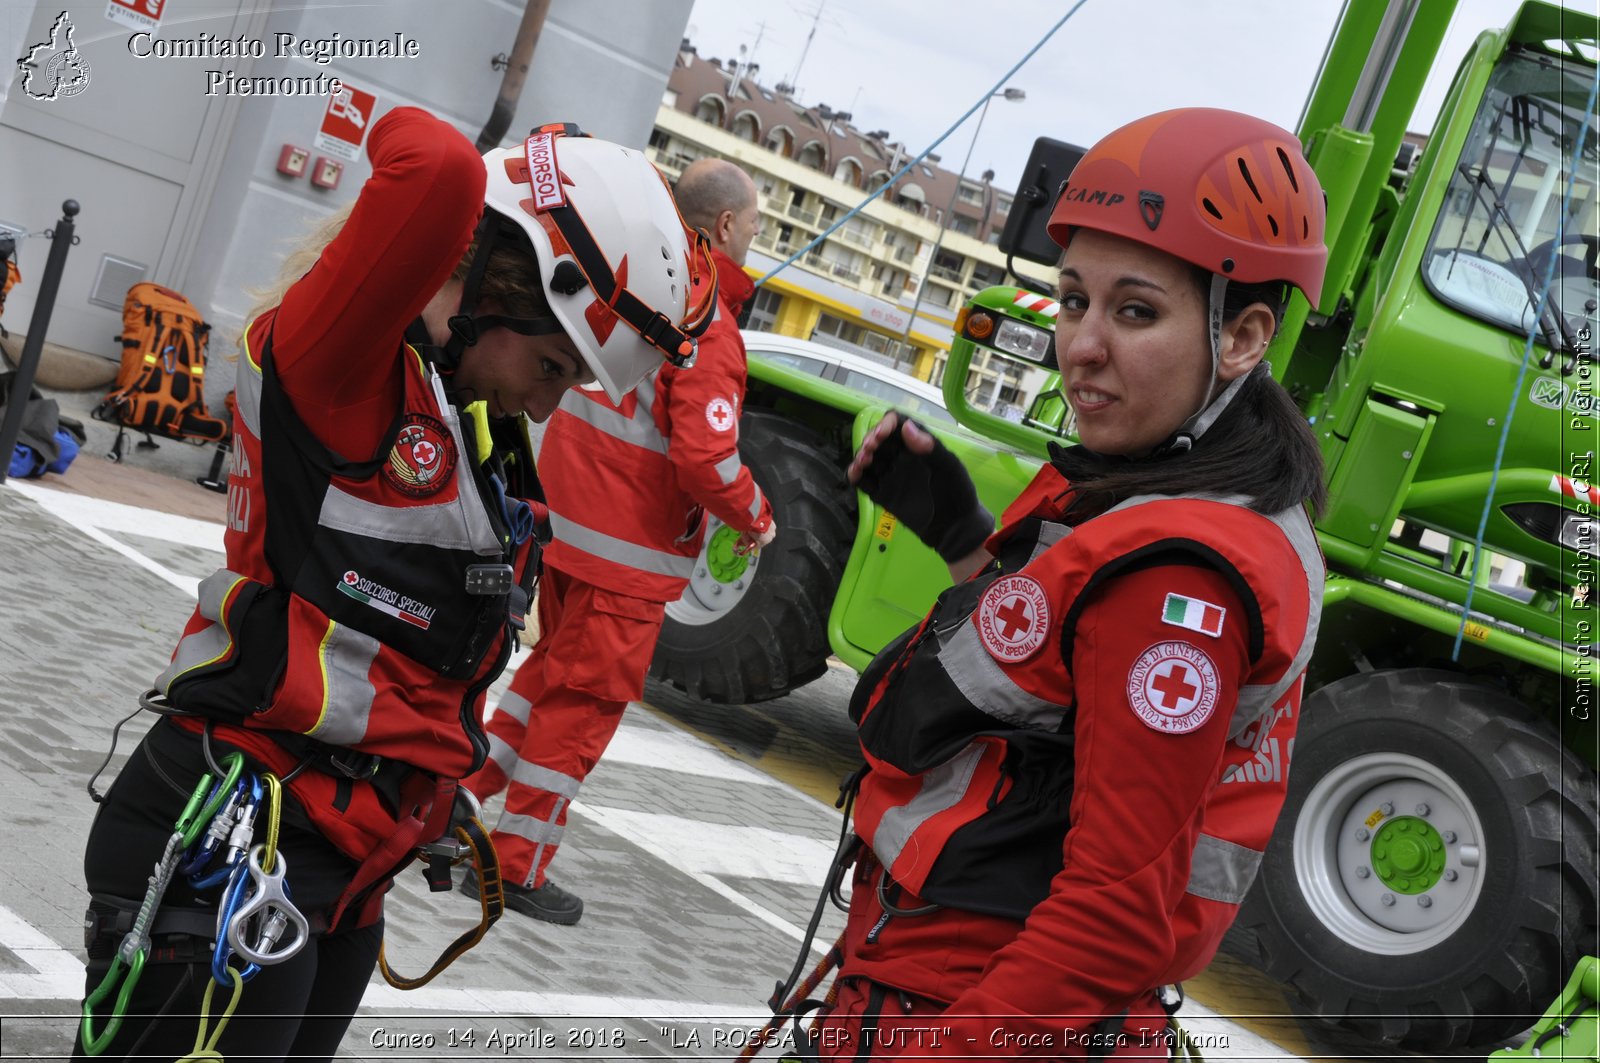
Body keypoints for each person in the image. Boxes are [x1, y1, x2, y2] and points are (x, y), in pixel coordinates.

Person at [73, 109, 715, 1061]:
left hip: (349, 850)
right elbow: (436, 162)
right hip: (239, 827)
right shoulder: (342, 371)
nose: (545, 402)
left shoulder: (463, 413)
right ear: (494, 280)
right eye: (549, 365)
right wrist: (521, 172)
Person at [795, 108, 1329, 1059]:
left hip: (971, 1008)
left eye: (1135, 311)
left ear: (1243, 335)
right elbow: (1049, 710)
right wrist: (963, 541)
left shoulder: (1180, 582)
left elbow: (1110, 917)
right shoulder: (1170, 501)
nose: (1080, 345)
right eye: (1073, 299)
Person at [458, 157, 775, 924]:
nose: (756, 244)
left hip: (567, 532)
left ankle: (452, 800)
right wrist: (757, 515)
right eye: (757, 231)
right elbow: (707, 457)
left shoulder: (632, 272)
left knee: (543, 681)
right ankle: (513, 866)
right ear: (727, 228)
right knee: (582, 710)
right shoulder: (709, 322)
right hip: (627, 561)